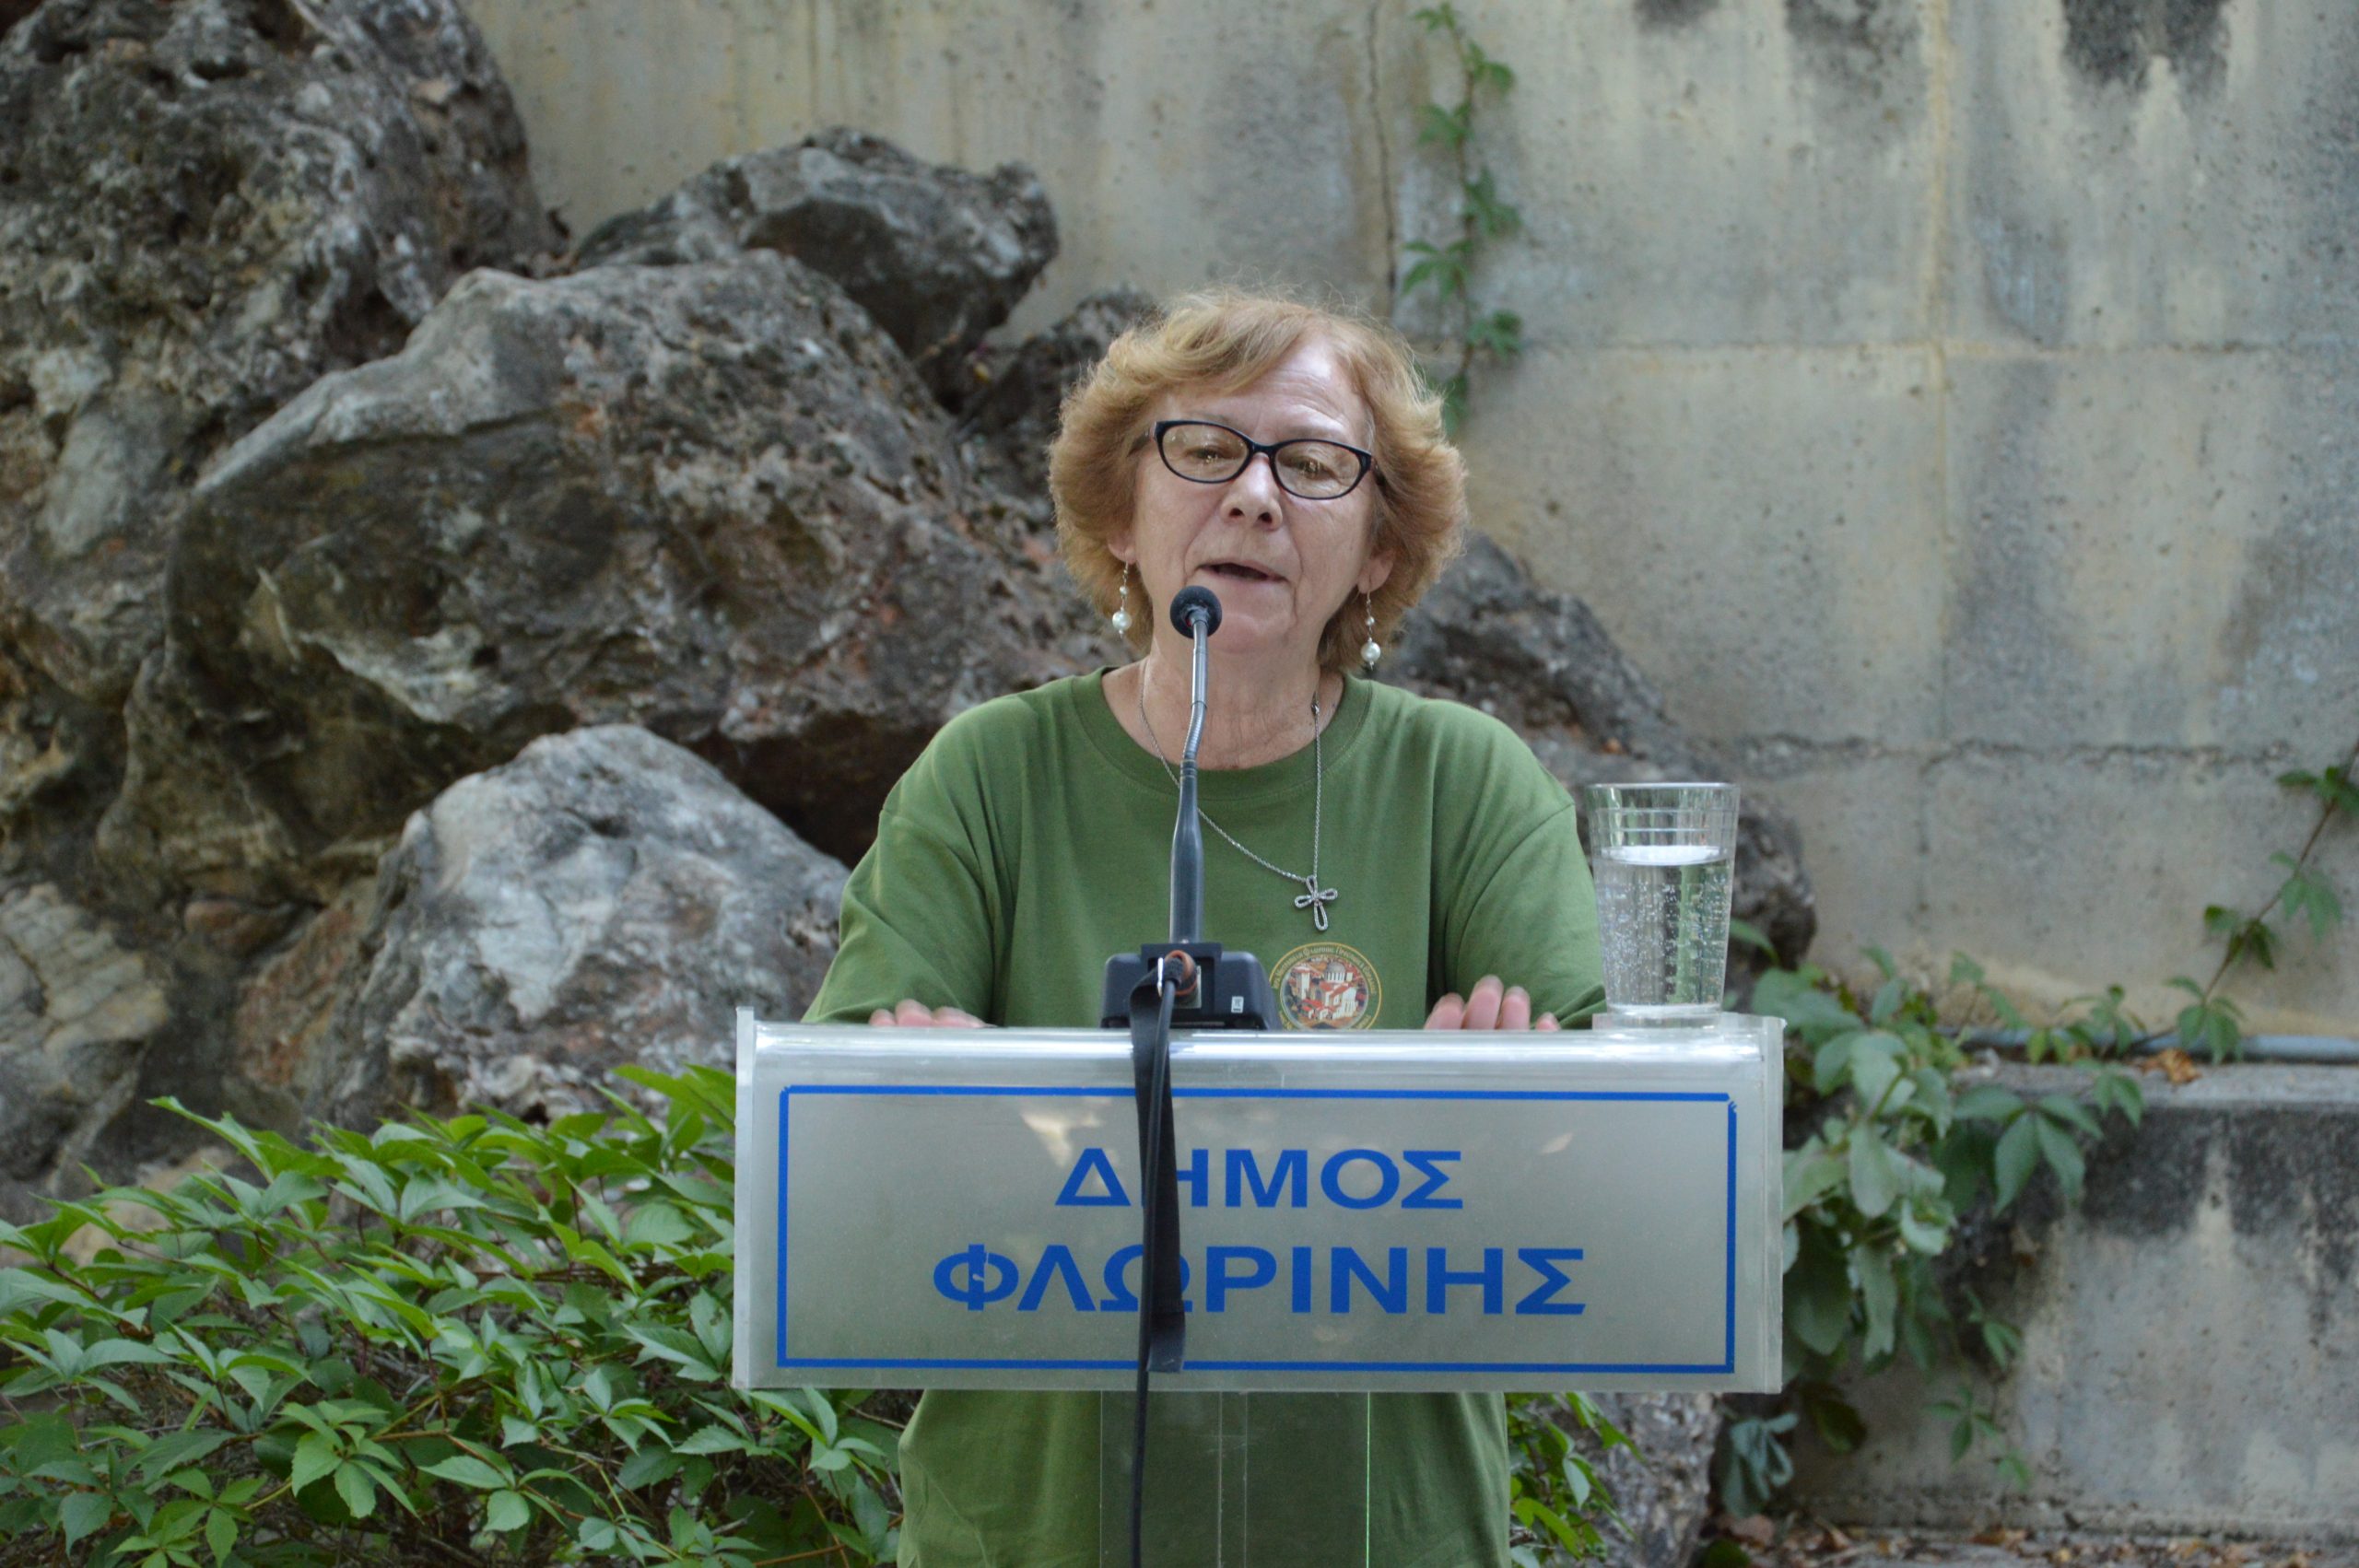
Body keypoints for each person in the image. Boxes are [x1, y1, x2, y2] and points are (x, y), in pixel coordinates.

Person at [804, 290, 1606, 1566]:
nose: (1254, 496)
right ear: (1122, 516)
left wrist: (1522, 1112)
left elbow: (1600, 1151)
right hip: (1035, 1532)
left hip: (1380, 1533)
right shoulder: (989, 776)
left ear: (1379, 549)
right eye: (1204, 449)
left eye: (1315, 464)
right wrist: (913, 1103)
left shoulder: (1466, 781)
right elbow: (851, 1138)